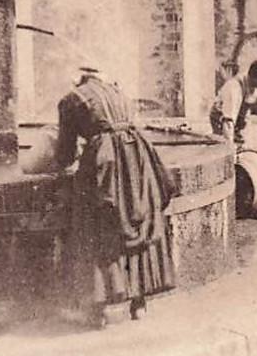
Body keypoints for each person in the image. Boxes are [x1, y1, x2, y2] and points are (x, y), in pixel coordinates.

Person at [53, 68, 177, 326]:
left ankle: (98, 309)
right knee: (137, 218)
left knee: (95, 225)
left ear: (79, 80)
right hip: (137, 157)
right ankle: (139, 302)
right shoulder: (119, 92)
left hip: (105, 162)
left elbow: (64, 153)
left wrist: (64, 161)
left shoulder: (72, 99)